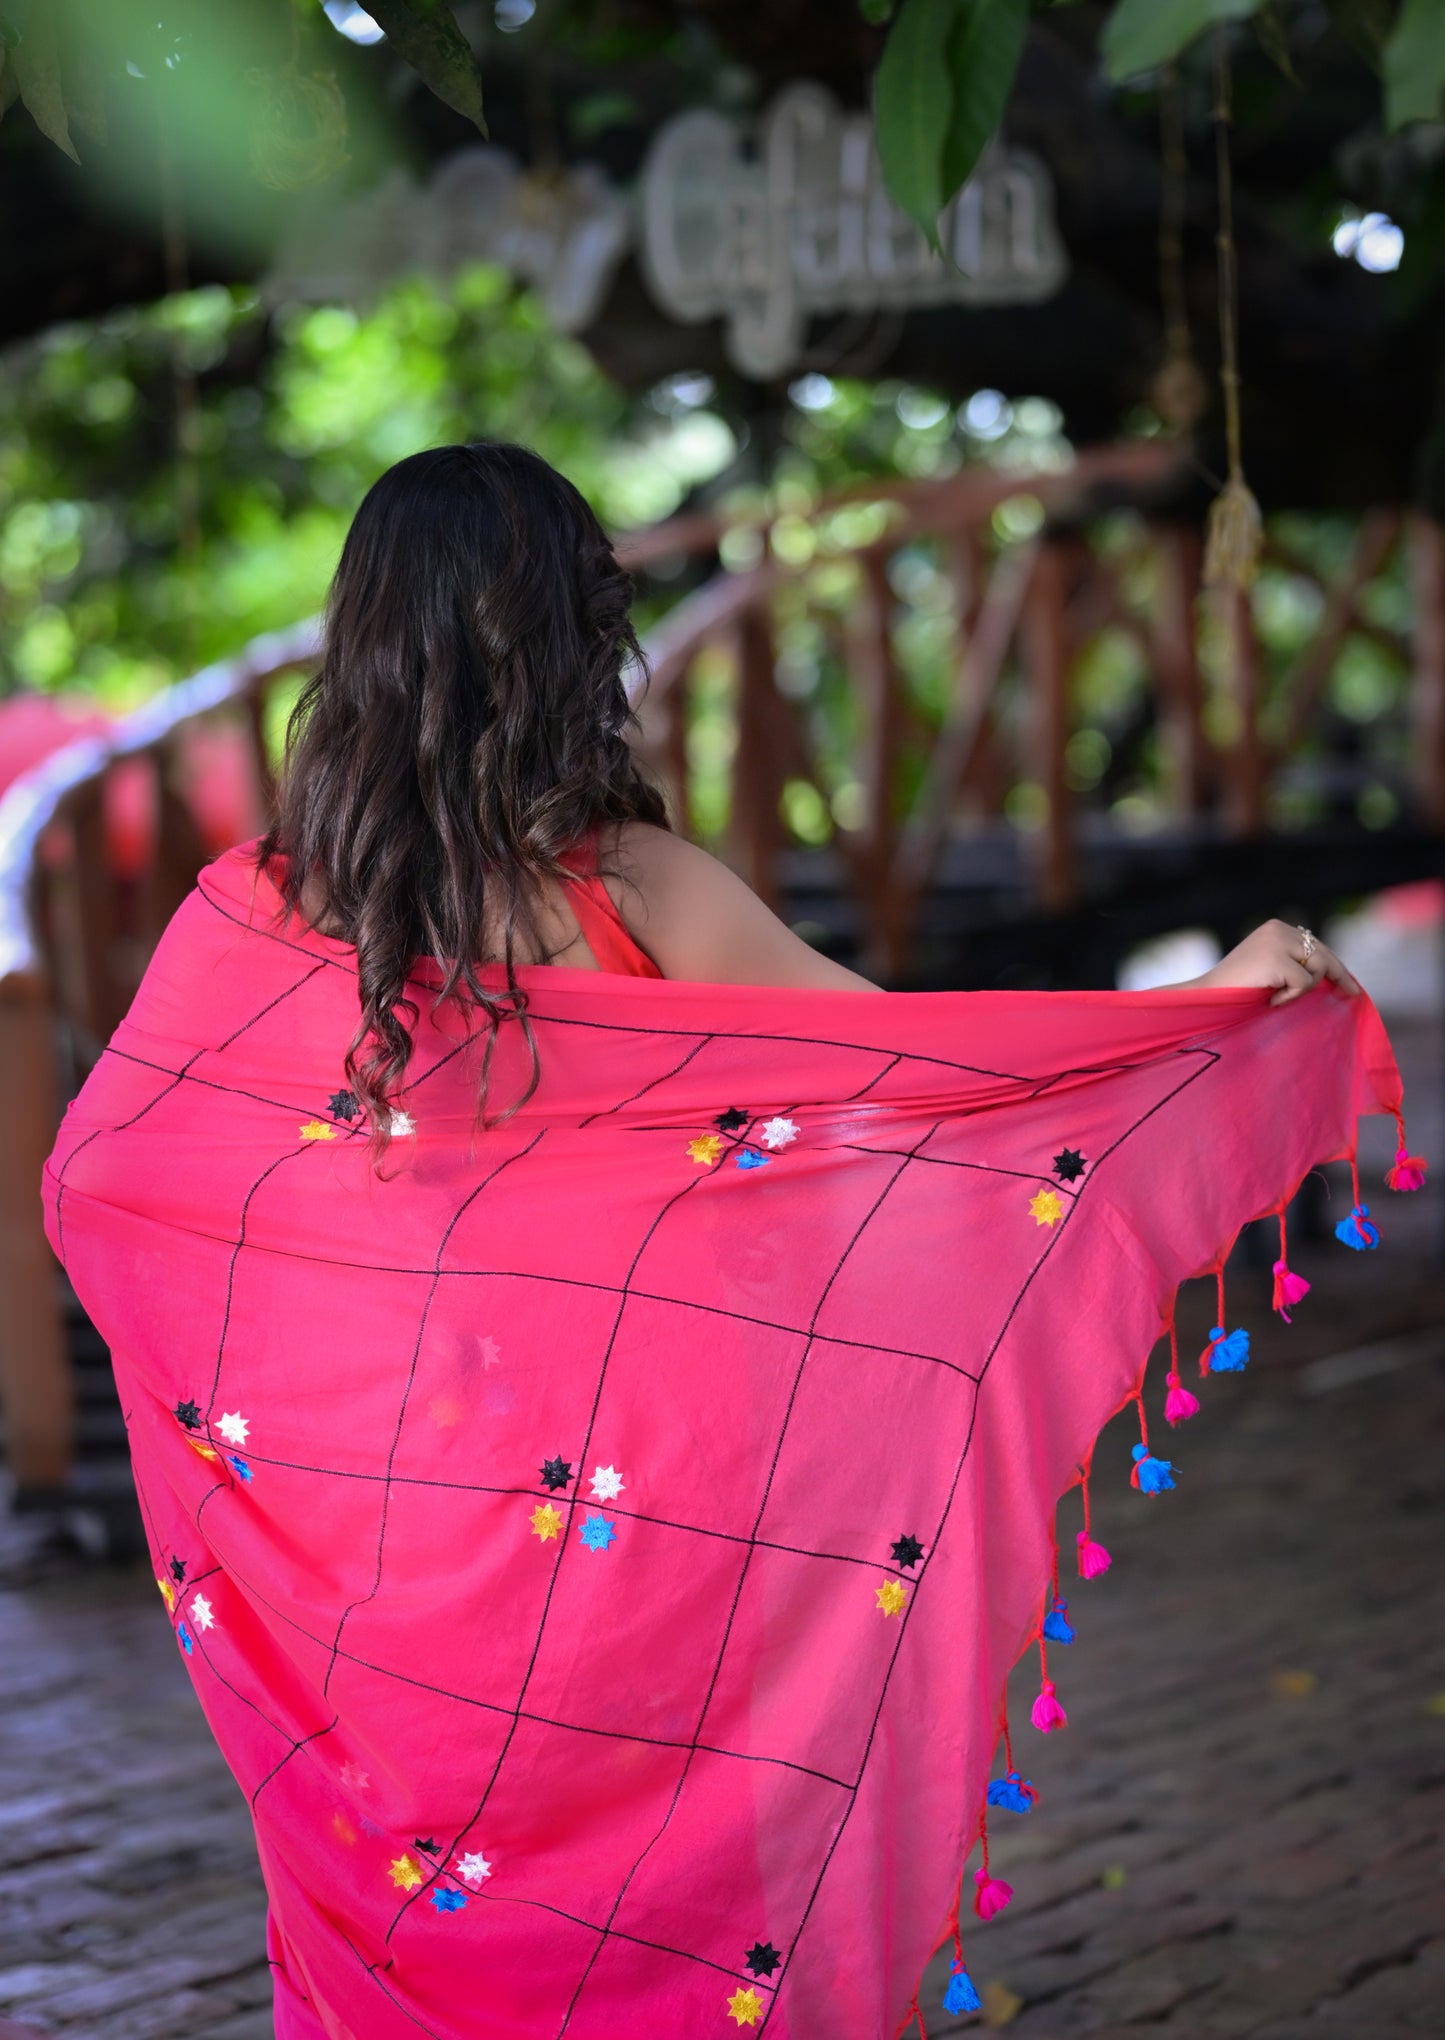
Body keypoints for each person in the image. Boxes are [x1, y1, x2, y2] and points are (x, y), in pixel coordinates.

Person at [48, 442, 1389, 2040]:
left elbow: (103, 1177)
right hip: (659, 1504)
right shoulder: (630, 890)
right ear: (577, 639)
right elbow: (930, 1079)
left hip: (391, 1516)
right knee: (678, 1893)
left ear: (363, 640)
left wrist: (271, 1420)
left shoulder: (255, 913)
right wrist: (1207, 1002)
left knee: (419, 1885)